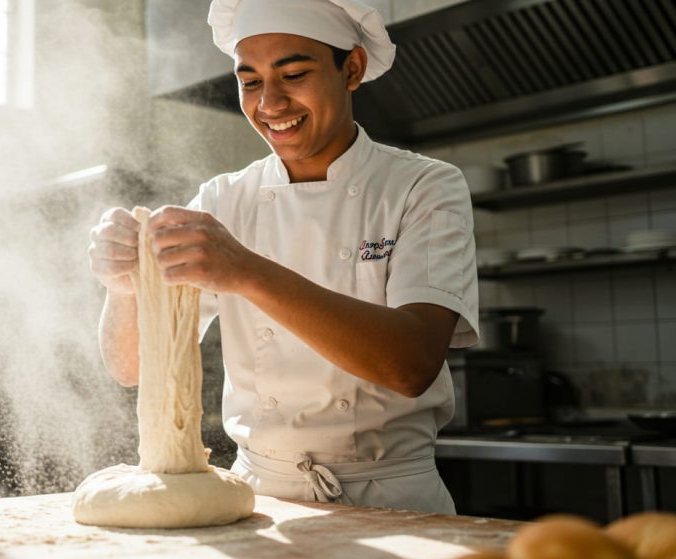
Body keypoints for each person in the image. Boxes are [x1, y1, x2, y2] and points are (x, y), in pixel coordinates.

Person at [87, 0, 478, 514]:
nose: (270, 102)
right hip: (259, 504)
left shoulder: (422, 186)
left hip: (393, 500)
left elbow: (410, 365)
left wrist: (246, 271)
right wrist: (125, 286)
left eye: (293, 74)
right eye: (249, 82)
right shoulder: (224, 198)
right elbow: (131, 368)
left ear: (352, 68)